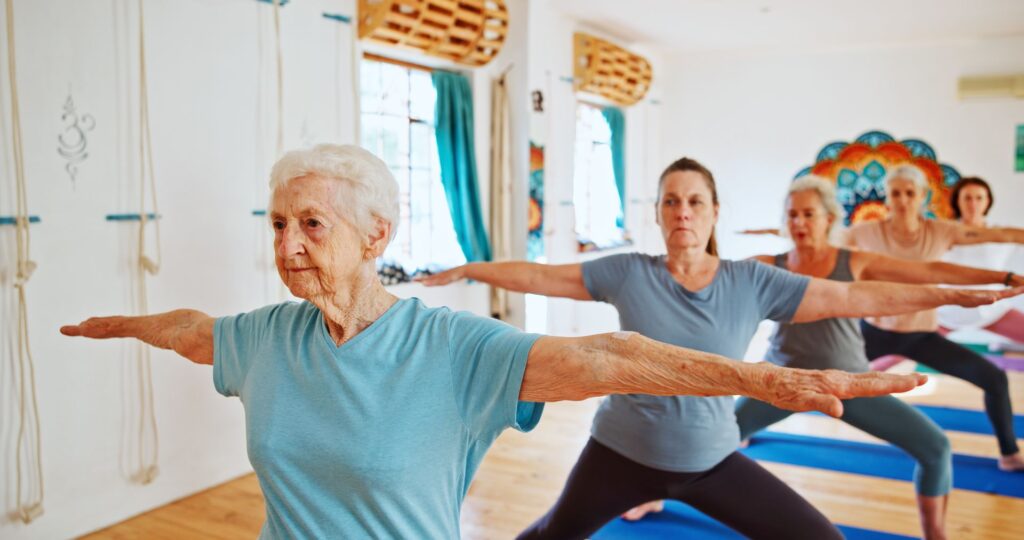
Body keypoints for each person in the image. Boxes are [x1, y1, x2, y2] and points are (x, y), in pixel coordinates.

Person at [60, 145, 928, 539]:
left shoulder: (450, 350)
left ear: (374, 237)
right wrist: (123, 323)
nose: (287, 245)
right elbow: (192, 331)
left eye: (311, 224)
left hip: (703, 445)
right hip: (629, 455)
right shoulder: (264, 339)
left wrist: (767, 385)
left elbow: (607, 359)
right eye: (279, 223)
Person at [419, 157, 1015, 539]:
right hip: (619, 453)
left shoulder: (750, 280)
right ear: (657, 213)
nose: (683, 212)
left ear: (714, 212)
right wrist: (474, 267)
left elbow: (850, 297)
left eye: (695, 201)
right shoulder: (628, 272)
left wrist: (953, 294)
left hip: (711, 458)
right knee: (552, 534)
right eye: (671, 201)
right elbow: (544, 276)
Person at [735, 175, 1022, 539]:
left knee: (936, 448)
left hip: (849, 382)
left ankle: (936, 534)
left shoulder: (854, 260)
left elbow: (929, 271)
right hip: (784, 381)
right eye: (792, 215)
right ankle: (651, 494)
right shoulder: (766, 264)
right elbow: (714, 284)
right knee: (708, 437)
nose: (800, 223)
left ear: (828, 218)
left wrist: (1001, 277)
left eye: (809, 214)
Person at [845, 164, 1024, 471]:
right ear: (887, 197)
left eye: (909, 193)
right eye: (895, 193)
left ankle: (1009, 454)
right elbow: (825, 240)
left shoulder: (941, 232)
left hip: (923, 334)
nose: (902, 200)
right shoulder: (866, 232)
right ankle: (742, 427)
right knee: (813, 372)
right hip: (874, 330)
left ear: (923, 197)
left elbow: (998, 233)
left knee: (994, 379)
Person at [937, 176, 1024, 343]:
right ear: (957, 201)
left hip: (992, 309)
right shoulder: (942, 232)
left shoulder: (1000, 233)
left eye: (979, 198)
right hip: (947, 311)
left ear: (987, 201)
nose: (973, 204)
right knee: (898, 352)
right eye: (967, 198)